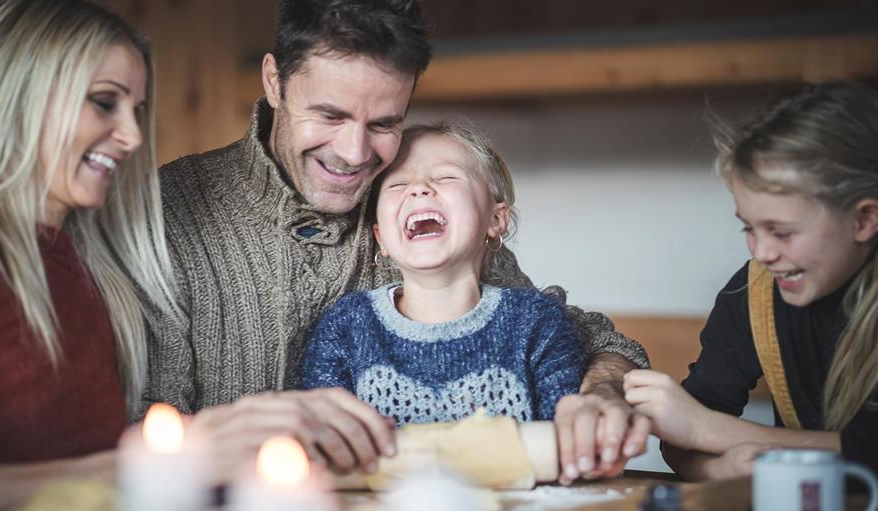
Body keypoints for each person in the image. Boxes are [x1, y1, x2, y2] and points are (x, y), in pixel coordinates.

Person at [147, 0, 650, 484]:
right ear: (275, 81)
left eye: (384, 123)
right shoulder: (170, 210)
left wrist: (602, 393)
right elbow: (143, 428)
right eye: (330, 115)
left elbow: (592, 342)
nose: (353, 153)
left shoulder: (406, 203)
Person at [0, 0, 180, 509]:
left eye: (135, 110)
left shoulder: (95, 273)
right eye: (104, 102)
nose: (133, 136)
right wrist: (167, 463)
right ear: (21, 97)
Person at [624, 81, 878, 480]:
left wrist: (707, 429)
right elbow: (682, 437)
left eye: (782, 232)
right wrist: (718, 469)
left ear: (864, 220)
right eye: (750, 228)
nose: (761, 253)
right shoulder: (755, 290)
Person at [302, 123, 585, 425]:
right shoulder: (346, 327)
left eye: (446, 177)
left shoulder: (536, 322)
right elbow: (323, 437)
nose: (419, 188)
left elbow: (565, 435)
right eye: (397, 184)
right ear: (381, 236)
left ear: (496, 219)